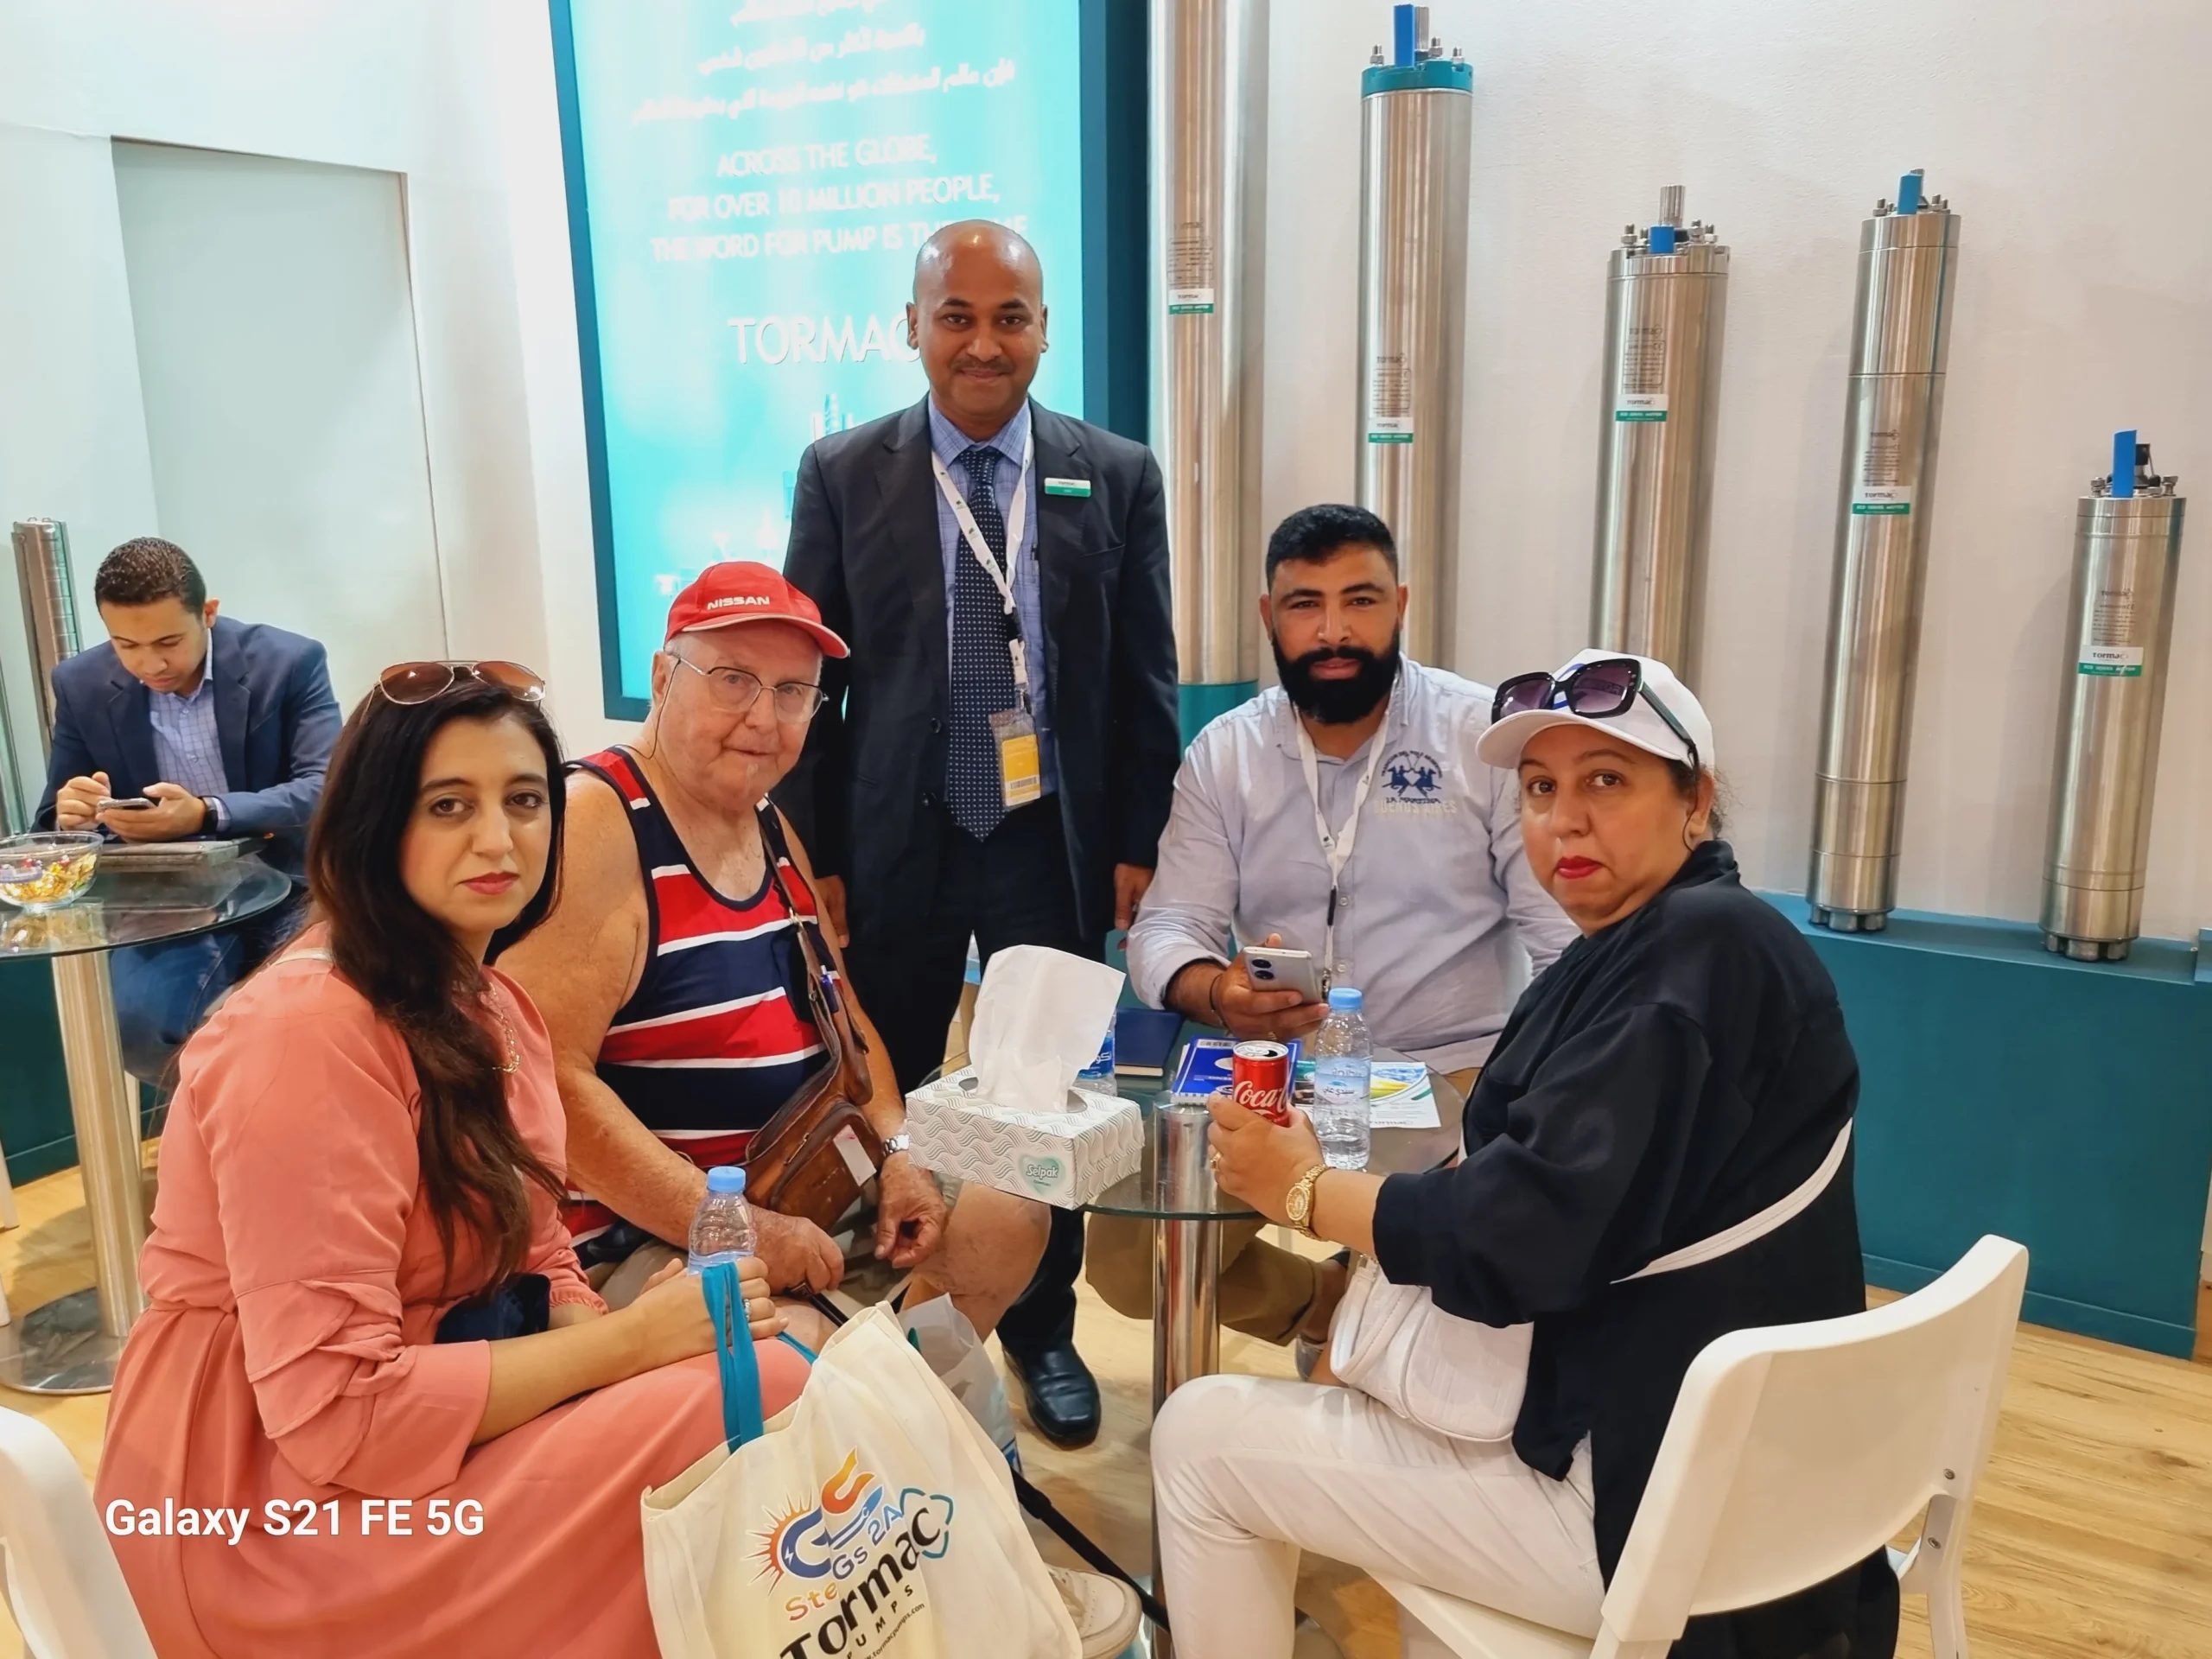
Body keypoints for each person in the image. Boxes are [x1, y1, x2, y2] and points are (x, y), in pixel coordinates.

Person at [1152, 651, 1897, 1659]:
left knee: (1197, 1439)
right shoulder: (1676, 942)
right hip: (1754, 1480)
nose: (1564, 820)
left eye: (1606, 780)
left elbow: (1515, 1242)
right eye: (1541, 789)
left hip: (1662, 1516)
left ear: (1695, 801)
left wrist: (1303, 1191)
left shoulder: (1690, 965)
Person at [93, 659, 809, 1657]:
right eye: (448, 805)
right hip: (253, 1514)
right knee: (757, 1397)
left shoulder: (490, 1002)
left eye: (524, 800)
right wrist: (631, 1348)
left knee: (760, 1374)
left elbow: (541, 1255)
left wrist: (628, 1339)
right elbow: (336, 1414)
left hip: (413, 1427)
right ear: (374, 823)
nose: (498, 839)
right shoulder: (307, 1033)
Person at [776, 219, 1179, 1446]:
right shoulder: (843, 471)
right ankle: (874, 1314)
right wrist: (815, 856)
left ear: (1044, 327)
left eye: (1010, 317)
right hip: (893, 835)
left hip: (1046, 836)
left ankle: (1042, 1325)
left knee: (1042, 1095)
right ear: (912, 327)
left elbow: (1143, 673)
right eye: (957, 316)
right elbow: (811, 684)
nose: (984, 343)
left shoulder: (1115, 473)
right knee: (880, 1074)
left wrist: (1139, 838)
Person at [498, 565, 1050, 1343]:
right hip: (646, 1233)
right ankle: (856, 1399)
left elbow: (846, 1019)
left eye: (793, 692)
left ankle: (905, 1403)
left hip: (805, 1178)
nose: (763, 717)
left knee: (1010, 1215)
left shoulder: (766, 822)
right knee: (789, 1345)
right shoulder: (596, 820)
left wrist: (898, 1150)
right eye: (733, 680)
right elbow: (545, 1082)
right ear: (662, 678)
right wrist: (740, 1228)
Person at [1098, 504, 1574, 1361]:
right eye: (1304, 605)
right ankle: (1324, 1304)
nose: (1332, 632)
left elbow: (1564, 947)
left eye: (1359, 601)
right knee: (1132, 1268)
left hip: (1449, 1066)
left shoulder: (1482, 741)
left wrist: (1523, 1097)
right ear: (1267, 617)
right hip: (1279, 1069)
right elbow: (1167, 926)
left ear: (1400, 604)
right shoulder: (1226, 754)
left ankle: (1374, 1322)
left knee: (1431, 1279)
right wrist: (1218, 992)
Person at [37, 536, 340, 1082]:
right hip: (168, 897)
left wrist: (206, 812)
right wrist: (72, 814)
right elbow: (50, 820)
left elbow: (326, 787)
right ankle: (226, 1117)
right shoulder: (81, 685)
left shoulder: (288, 662)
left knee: (309, 1019)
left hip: (292, 882)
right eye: (126, 644)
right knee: (138, 1026)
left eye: (169, 641)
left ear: (209, 613)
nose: (149, 663)